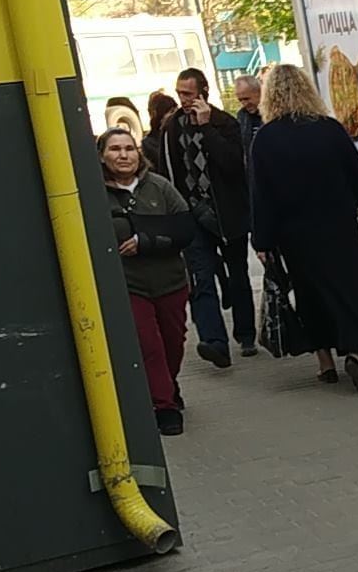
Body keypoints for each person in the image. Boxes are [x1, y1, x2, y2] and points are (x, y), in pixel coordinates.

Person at [249, 64, 358, 392]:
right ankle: (355, 353)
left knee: (310, 294)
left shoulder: (266, 139)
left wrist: (262, 239)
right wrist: (344, 207)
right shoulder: (330, 129)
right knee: (349, 287)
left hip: (296, 234)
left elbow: (262, 195)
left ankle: (325, 363)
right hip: (338, 227)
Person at [155, 67, 255, 364]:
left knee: (237, 275)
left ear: (203, 92)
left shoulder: (224, 122)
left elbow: (233, 165)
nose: (183, 99)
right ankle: (214, 341)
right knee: (201, 277)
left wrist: (206, 128)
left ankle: (245, 333)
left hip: (226, 213)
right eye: (180, 93)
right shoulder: (172, 127)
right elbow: (166, 172)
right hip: (192, 214)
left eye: (188, 93)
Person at [99, 127, 195, 437]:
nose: (123, 155)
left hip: (170, 281)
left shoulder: (159, 187)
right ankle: (164, 407)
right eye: (115, 149)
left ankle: (168, 383)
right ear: (102, 156)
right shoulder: (96, 194)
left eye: (129, 148)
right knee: (148, 346)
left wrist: (148, 240)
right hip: (130, 284)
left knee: (173, 342)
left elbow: (185, 229)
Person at [233, 74, 264, 163]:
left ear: (259, 92)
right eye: (240, 100)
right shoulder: (242, 116)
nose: (244, 104)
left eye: (246, 99)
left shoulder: (273, 113)